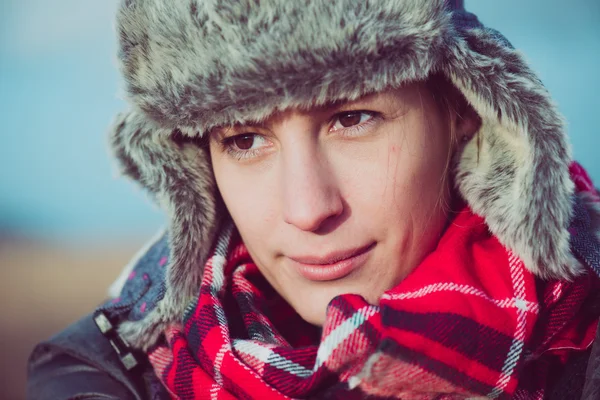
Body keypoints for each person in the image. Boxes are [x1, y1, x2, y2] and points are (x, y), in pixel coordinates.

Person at [27, 0, 600, 399]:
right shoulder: (107, 377)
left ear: (462, 113)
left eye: (353, 119)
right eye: (245, 140)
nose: (307, 208)